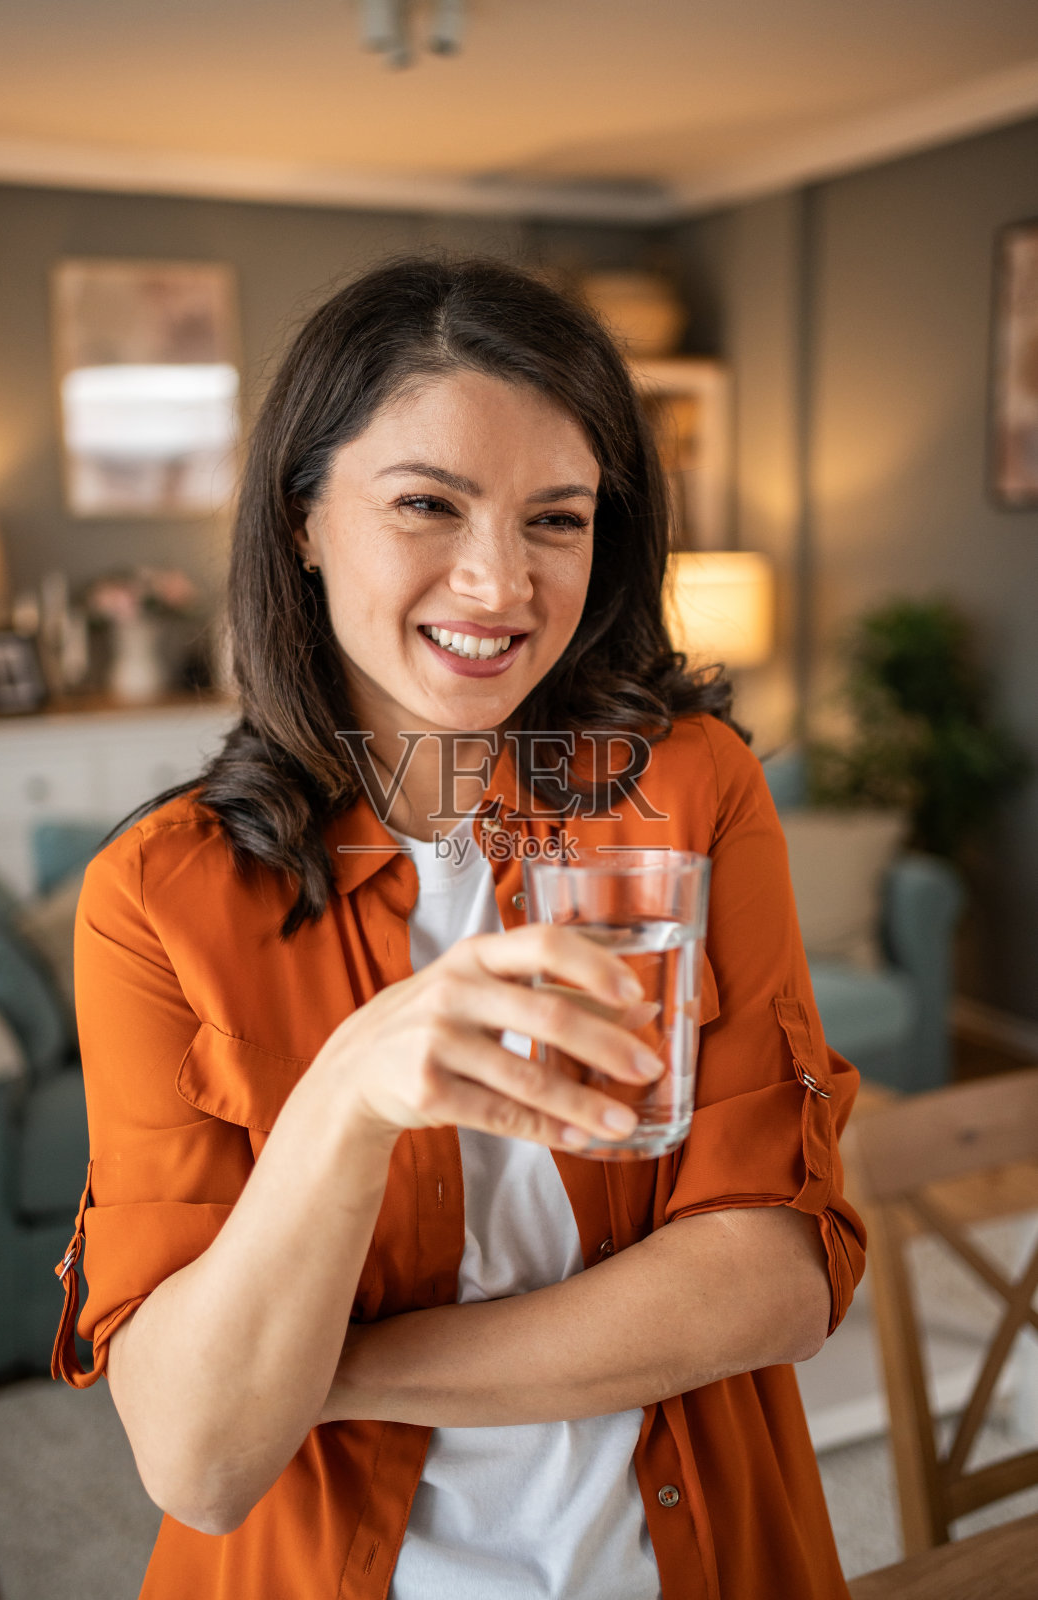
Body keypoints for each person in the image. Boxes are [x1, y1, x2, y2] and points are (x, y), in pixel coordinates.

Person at [53, 254, 865, 1600]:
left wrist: (324, 1376)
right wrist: (353, 1093)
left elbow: (771, 1281)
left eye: (558, 519)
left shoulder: (688, 790)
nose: (499, 583)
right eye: (429, 504)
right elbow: (201, 1460)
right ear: (302, 518)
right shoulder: (160, 895)